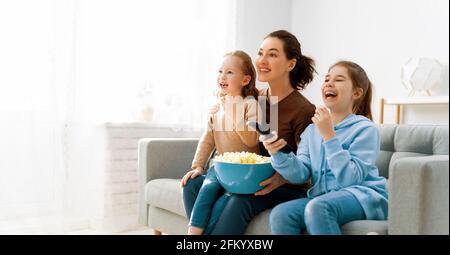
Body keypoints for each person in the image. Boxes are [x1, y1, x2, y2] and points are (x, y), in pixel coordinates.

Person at [183, 30, 316, 234]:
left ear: (291, 64)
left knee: (239, 200)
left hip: (285, 186)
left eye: (272, 54)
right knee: (192, 184)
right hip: (247, 176)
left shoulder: (304, 110)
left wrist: (281, 178)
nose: (262, 60)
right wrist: (217, 110)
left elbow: (310, 167)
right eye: (260, 53)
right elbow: (227, 101)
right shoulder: (255, 97)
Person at [265, 61, 388, 235]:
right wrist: (277, 153)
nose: (329, 83)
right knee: (281, 214)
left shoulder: (366, 129)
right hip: (323, 197)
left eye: (339, 79)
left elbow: (350, 179)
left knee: (318, 207)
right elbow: (300, 174)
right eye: (327, 79)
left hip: (362, 196)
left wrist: (329, 136)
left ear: (357, 92)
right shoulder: (311, 130)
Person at [181, 50, 261, 235]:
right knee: (205, 190)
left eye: (230, 72)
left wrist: (231, 111)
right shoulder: (217, 108)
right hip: (220, 168)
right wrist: (198, 166)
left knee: (223, 204)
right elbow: (208, 139)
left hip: (244, 173)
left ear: (245, 80)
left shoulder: (251, 104)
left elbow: (251, 139)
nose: (222, 76)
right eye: (220, 71)